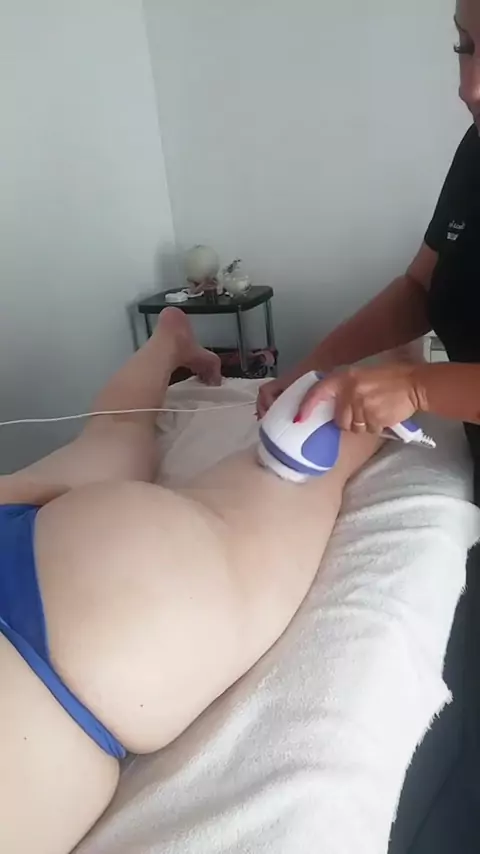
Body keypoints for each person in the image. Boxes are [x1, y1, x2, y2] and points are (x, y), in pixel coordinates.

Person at [0, 306, 382, 854]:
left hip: (88, 633)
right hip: (70, 571)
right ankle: (168, 341)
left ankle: (404, 360)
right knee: (114, 433)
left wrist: (417, 387)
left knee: (304, 467)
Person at [258, 1, 480, 851]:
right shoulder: (476, 153)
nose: (469, 86)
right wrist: (313, 371)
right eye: (463, 46)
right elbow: (419, 289)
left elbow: (421, 374)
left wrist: (417, 386)